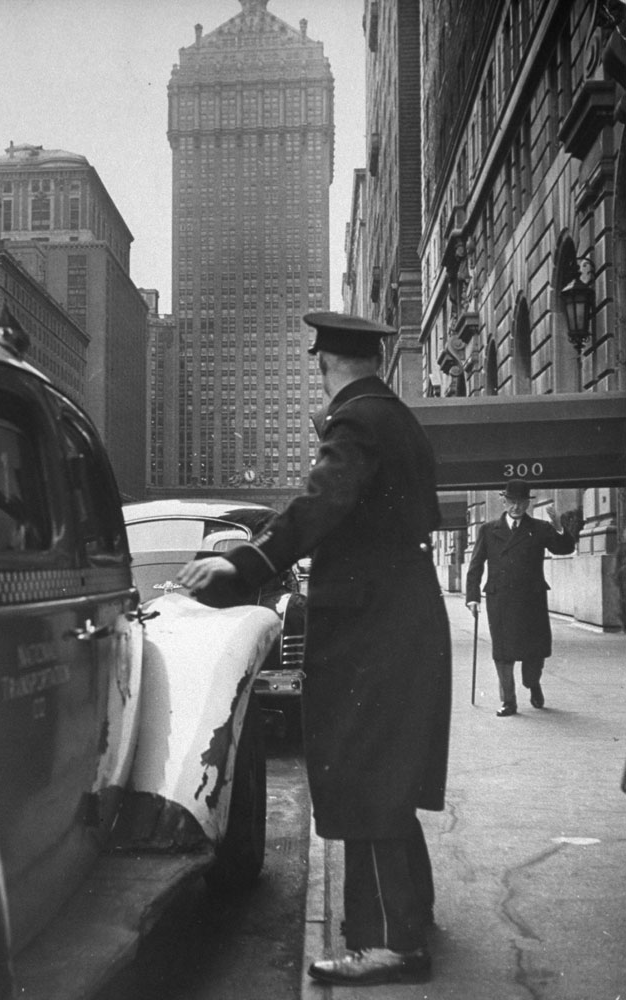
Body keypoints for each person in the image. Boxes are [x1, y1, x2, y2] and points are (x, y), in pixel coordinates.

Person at [177, 312, 451, 987]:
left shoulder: (355, 421)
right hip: (396, 620)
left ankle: (389, 943)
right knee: (383, 769)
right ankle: (409, 917)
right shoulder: (393, 416)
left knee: (366, 774)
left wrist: (245, 562)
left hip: (370, 628)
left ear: (323, 363)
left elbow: (319, 502)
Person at [465, 480, 577, 716]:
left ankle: (532, 684)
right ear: (503, 501)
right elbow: (475, 566)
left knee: (534, 652)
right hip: (501, 600)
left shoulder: (540, 528)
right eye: (512, 501)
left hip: (531, 601)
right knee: (503, 653)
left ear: (527, 503)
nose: (516, 507)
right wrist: (472, 597)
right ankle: (509, 701)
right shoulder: (488, 530)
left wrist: (559, 528)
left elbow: (564, 549)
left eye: (521, 502)